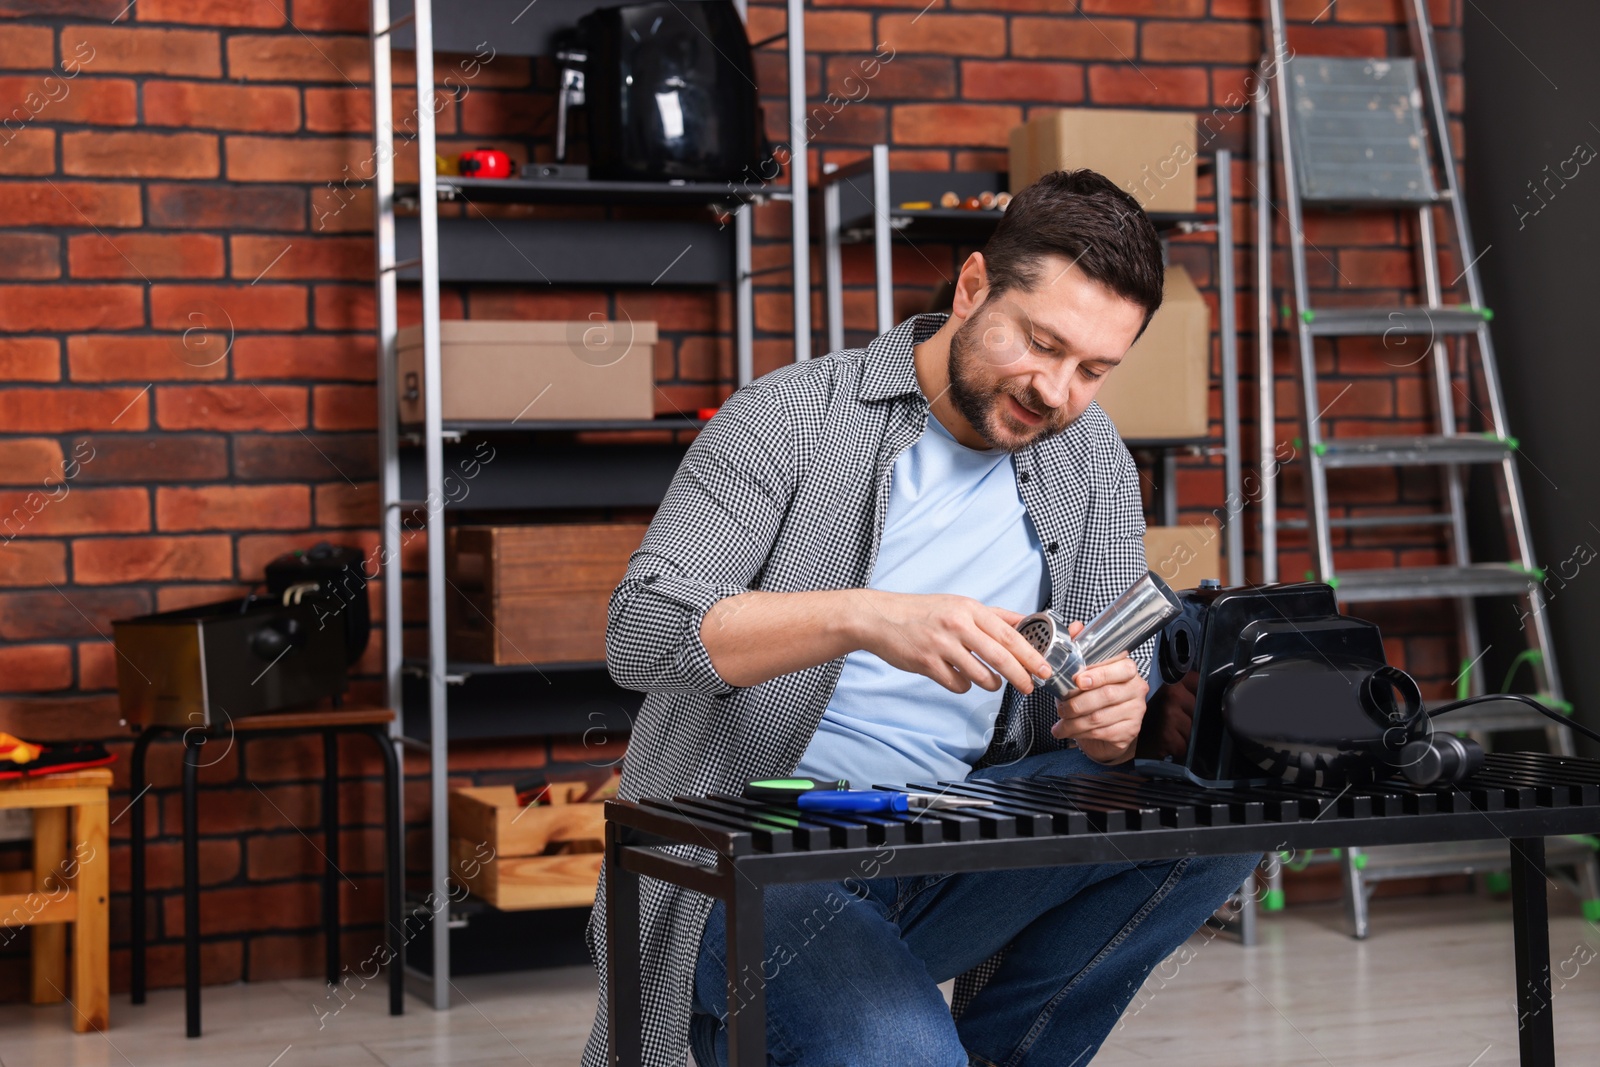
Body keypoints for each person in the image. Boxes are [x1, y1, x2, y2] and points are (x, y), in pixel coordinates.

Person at [581, 169, 1262, 1067]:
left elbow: (1115, 653)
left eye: (1093, 369)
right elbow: (641, 634)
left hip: (954, 834)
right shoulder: (788, 419)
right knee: (896, 1049)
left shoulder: (1087, 456)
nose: (1056, 390)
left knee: (1214, 816)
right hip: (769, 852)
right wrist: (866, 618)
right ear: (973, 288)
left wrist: (1114, 716)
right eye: (1041, 343)